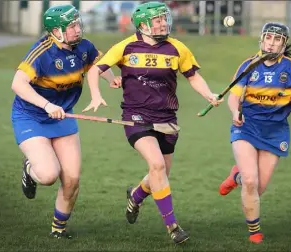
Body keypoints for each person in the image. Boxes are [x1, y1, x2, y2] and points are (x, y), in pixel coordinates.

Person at [88, 1, 223, 244]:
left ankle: (135, 196)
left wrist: (209, 94)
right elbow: (94, 70)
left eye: (164, 18)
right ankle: (173, 227)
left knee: (160, 172)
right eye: (158, 20)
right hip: (136, 116)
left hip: (167, 118)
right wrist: (97, 94)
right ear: (143, 25)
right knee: (157, 165)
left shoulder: (177, 48)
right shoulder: (126, 47)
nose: (164, 23)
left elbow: (193, 76)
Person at [11, 4, 119, 239]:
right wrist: (47, 105)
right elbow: (17, 84)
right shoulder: (41, 52)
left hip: (64, 116)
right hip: (31, 116)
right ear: (56, 31)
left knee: (72, 179)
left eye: (78, 24)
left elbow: (96, 63)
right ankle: (30, 169)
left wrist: (111, 79)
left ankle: (57, 229)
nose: (77, 30)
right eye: (71, 26)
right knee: (48, 175)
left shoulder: (84, 47)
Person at [218, 22, 291, 243]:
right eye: (268, 38)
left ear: (284, 43)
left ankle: (236, 176)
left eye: (277, 39)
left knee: (258, 188)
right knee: (251, 182)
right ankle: (255, 232)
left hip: (276, 131)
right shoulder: (248, 65)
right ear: (262, 40)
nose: (271, 43)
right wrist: (235, 110)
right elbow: (234, 96)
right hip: (247, 126)